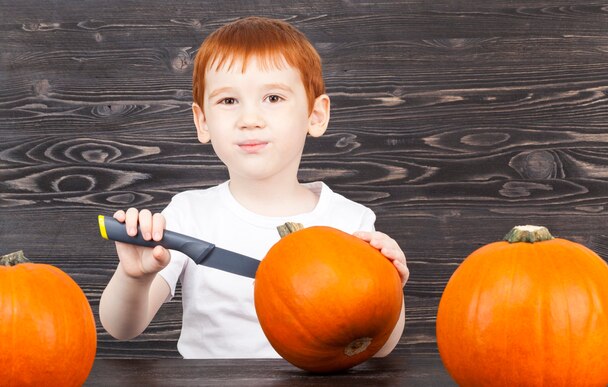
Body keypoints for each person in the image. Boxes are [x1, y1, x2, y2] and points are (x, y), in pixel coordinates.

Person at [99, 16, 410, 359]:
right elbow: (122, 327)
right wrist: (134, 278)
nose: (250, 119)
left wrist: (390, 287)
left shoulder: (351, 222)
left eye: (273, 98)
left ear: (316, 115)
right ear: (202, 122)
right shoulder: (187, 217)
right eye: (228, 101)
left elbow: (378, 349)